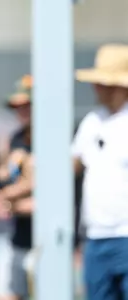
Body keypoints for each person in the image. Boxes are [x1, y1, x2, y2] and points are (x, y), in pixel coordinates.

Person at [73, 43, 128, 300]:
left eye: (101, 82)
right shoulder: (92, 121)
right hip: (95, 238)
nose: (95, 88)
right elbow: (71, 167)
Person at [0, 75, 34, 300]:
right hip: (18, 238)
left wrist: (8, 202)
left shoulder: (59, 137)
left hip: (54, 242)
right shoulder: (13, 139)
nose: (21, 111)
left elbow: (53, 200)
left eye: (27, 105)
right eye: (18, 107)